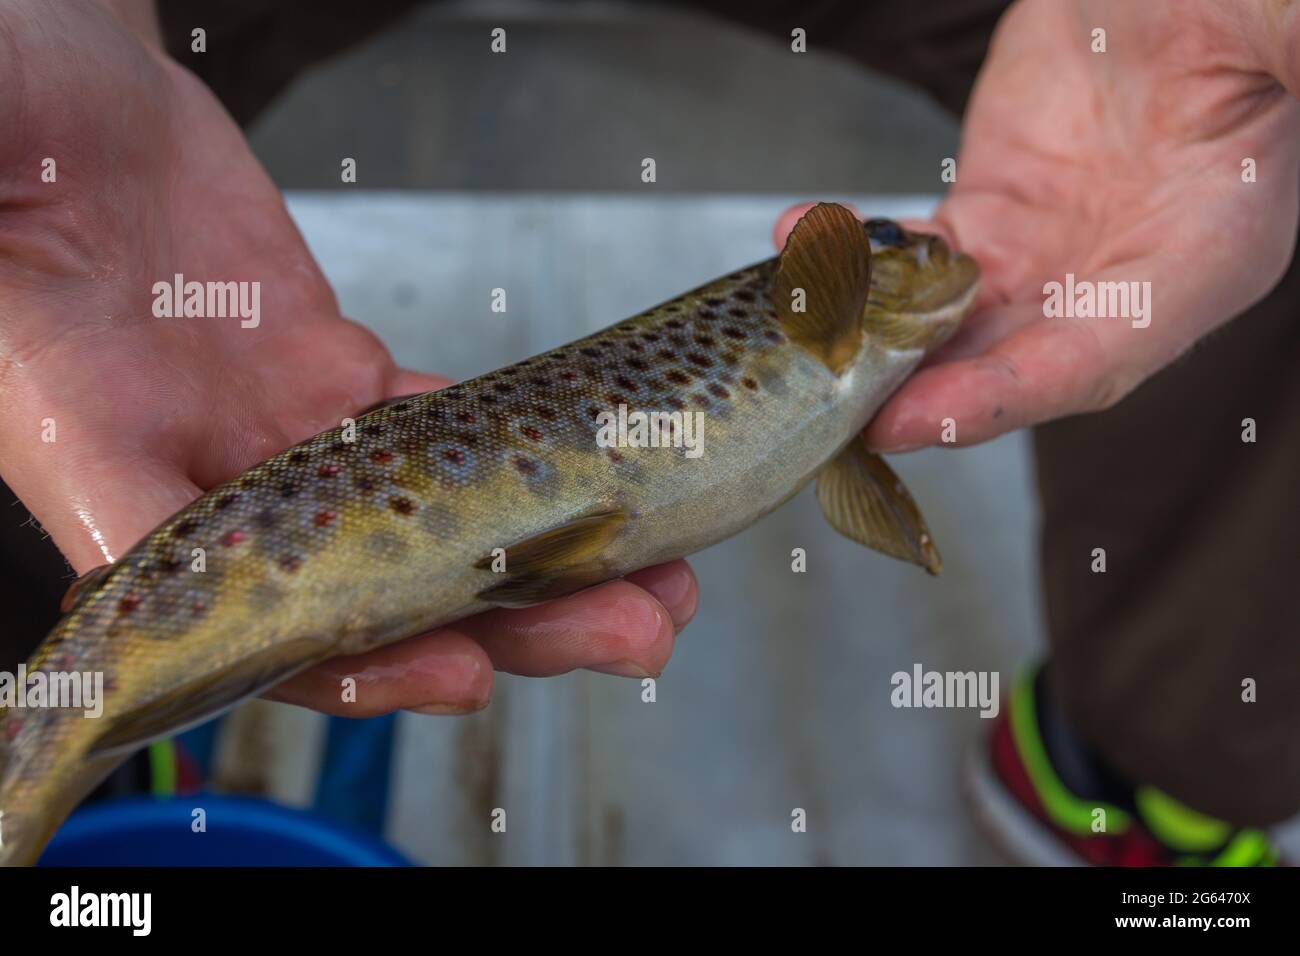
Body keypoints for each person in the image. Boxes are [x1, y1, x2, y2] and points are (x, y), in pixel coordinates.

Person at [0, 0, 1296, 865]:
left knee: (1254, 185)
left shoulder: (848, 348)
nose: (923, 255)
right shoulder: (838, 308)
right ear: (844, 283)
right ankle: (89, 733)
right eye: (888, 249)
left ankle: (1162, 760)